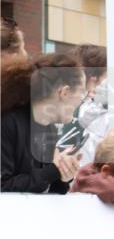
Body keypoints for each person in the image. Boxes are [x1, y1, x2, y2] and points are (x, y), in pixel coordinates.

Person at [1, 53, 86, 193]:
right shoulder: (7, 122)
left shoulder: (49, 128)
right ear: (64, 92)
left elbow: (43, 185)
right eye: (82, 92)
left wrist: (63, 176)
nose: (83, 100)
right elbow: (3, 185)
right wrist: (53, 171)